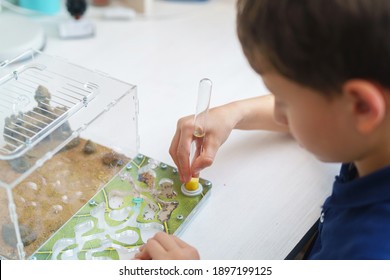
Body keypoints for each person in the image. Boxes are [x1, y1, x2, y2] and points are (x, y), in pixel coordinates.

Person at [134, 0, 390, 260]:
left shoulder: (366, 253)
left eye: (284, 100)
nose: (279, 114)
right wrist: (234, 113)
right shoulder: (372, 138)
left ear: (362, 107)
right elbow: (324, 113)